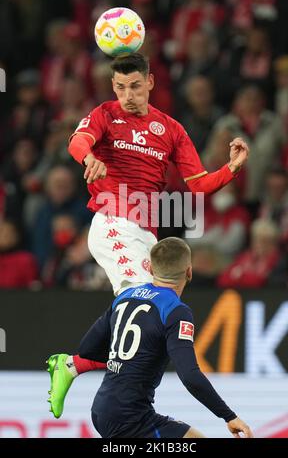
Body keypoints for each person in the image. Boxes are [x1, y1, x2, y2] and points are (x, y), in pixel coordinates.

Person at [47, 52, 249, 419]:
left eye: (136, 86)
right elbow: (78, 141)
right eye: (121, 87)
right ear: (113, 86)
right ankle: (124, 407)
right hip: (111, 222)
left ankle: (73, 365)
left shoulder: (170, 129)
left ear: (150, 83)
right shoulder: (106, 114)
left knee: (138, 318)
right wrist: (88, 158)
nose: (128, 95)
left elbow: (198, 185)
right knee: (150, 310)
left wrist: (231, 169)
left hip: (145, 234)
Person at [65, 237, 253, 438]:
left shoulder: (125, 296)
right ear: (189, 272)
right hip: (131, 418)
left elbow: (86, 349)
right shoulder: (175, 311)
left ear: (151, 269)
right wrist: (229, 416)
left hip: (101, 409)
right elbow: (190, 376)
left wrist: (125, 361)